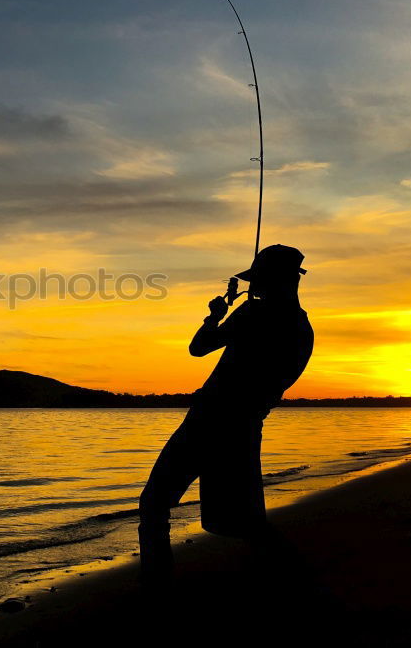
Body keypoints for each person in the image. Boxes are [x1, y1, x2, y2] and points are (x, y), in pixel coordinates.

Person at [138, 244, 314, 582]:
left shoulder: (254, 314)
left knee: (155, 503)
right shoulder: (302, 329)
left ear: (276, 279)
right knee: (242, 520)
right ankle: (292, 580)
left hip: (208, 422)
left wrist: (215, 316)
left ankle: (157, 587)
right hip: (245, 428)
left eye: (257, 278)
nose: (252, 285)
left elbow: (198, 348)